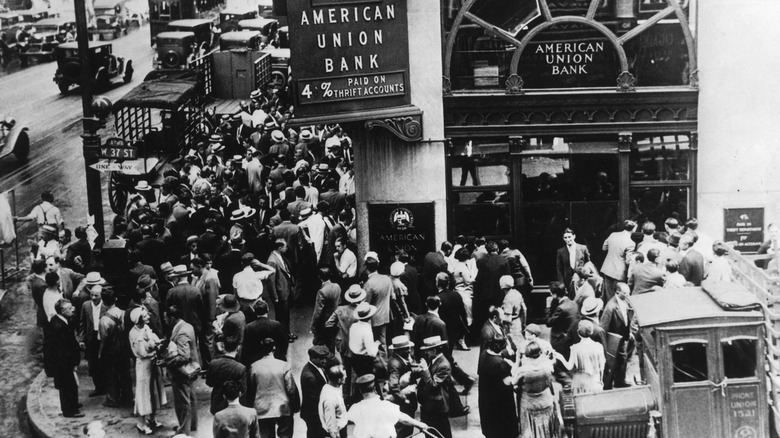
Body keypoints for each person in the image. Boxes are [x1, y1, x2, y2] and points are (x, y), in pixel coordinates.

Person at [245, 338, 300, 438]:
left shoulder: (254, 367)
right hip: (283, 407)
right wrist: (295, 406)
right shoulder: (284, 365)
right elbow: (290, 389)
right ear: (274, 348)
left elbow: (251, 390)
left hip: (262, 408)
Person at [346, 374, 429, 438]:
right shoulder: (386, 406)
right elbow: (404, 419)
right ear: (375, 389)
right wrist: (420, 424)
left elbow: (342, 420)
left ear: (360, 391)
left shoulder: (355, 408)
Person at [128, 307, 165, 435]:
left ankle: (152, 418)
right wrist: (154, 348)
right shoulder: (134, 333)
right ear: (138, 319)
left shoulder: (146, 328)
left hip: (152, 363)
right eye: (145, 316)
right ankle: (141, 423)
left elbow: (154, 341)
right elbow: (142, 352)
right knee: (143, 393)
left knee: (154, 391)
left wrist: (158, 344)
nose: (148, 317)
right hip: (143, 365)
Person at [164, 305, 201, 435]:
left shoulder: (181, 332)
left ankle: (183, 429)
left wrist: (166, 361)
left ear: (172, 318)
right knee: (190, 397)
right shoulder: (187, 326)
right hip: (191, 368)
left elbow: (184, 356)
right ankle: (192, 425)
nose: (165, 320)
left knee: (182, 401)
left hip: (181, 371)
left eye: (166, 317)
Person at [512, 341, 561, 438]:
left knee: (529, 429)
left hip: (529, 403)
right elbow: (553, 362)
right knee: (547, 426)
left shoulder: (523, 370)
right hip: (546, 400)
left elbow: (514, 382)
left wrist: (517, 360)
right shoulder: (547, 365)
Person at [47, 299, 84, 417]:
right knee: (67, 385)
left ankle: (72, 404)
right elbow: (63, 349)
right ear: (62, 311)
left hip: (63, 361)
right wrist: (72, 362)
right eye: (69, 308)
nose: (73, 309)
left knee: (70, 384)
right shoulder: (59, 326)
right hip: (64, 363)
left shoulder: (59, 321)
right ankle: (69, 411)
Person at [99, 288, 132, 408]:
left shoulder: (104, 320)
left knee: (111, 375)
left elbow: (103, 339)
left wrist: (100, 353)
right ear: (116, 299)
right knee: (125, 373)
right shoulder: (124, 313)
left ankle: (113, 399)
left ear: (103, 302)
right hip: (124, 348)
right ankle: (128, 397)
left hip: (111, 350)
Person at [478, 338, 518, 438]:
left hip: (486, 396)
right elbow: (508, 382)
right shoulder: (500, 364)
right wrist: (514, 368)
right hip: (500, 400)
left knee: (490, 423)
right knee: (502, 426)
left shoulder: (484, 354)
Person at [417, 336, 456, 438]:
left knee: (442, 434)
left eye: (427, 351)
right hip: (430, 406)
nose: (426, 353)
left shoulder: (444, 365)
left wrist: (425, 369)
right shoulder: (434, 360)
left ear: (434, 351)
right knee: (430, 433)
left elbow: (433, 385)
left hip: (438, 408)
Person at [471, 240, 511, 339]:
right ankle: (500, 335)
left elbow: (479, 279)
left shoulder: (482, 261)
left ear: (487, 250)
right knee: (500, 314)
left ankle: (488, 335)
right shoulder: (504, 261)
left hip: (485, 294)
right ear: (497, 249)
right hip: (500, 293)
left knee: (486, 316)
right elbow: (508, 278)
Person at [555, 320, 606, 394]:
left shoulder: (575, 348)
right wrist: (601, 381)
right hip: (595, 381)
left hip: (580, 383)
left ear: (578, 333)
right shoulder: (599, 346)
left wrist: (560, 357)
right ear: (591, 332)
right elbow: (602, 366)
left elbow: (569, 367)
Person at [600, 282, 635, 389]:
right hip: (613, 340)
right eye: (625, 293)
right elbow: (603, 327)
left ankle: (620, 381)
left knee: (622, 359)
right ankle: (608, 384)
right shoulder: (610, 307)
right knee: (612, 363)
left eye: (629, 292)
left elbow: (626, 318)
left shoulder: (625, 301)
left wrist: (628, 332)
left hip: (622, 337)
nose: (628, 295)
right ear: (617, 292)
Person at [386, 336, 419, 437]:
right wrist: (404, 399)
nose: (409, 350)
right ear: (399, 350)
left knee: (407, 430)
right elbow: (394, 387)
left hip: (406, 403)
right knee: (403, 431)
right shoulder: (395, 365)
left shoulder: (401, 358)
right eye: (406, 348)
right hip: (403, 405)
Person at [79, 284, 107, 397]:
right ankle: (98, 388)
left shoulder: (106, 306)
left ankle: (107, 387)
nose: (93, 297)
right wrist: (81, 339)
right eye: (92, 295)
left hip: (103, 336)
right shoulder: (86, 305)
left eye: (96, 295)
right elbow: (82, 323)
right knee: (93, 364)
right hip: (91, 338)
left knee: (104, 362)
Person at [600, 220, 637, 303]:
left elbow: (604, 248)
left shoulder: (613, 235)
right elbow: (628, 261)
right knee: (619, 296)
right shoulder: (631, 243)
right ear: (633, 229)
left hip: (607, 268)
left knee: (608, 295)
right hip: (619, 272)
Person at [207, 339, 247, 414]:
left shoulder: (213, 363)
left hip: (217, 403)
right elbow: (243, 391)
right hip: (233, 405)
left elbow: (209, 383)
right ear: (237, 348)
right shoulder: (241, 368)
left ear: (224, 347)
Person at [242, 300, 288, 364]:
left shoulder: (249, 327)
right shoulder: (276, 325)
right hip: (275, 358)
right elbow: (284, 342)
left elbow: (246, 349)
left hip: (256, 360)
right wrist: (281, 354)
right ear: (268, 310)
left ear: (254, 311)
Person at [300, 346, 332, 438]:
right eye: (322, 359)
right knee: (315, 434)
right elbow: (317, 399)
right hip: (314, 413)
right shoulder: (310, 377)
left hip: (314, 412)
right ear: (313, 358)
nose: (325, 361)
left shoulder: (316, 367)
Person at [267, 238, 295, 341]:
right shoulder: (272, 261)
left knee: (285, 315)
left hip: (284, 290)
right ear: (279, 248)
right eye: (285, 246)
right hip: (280, 293)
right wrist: (274, 297)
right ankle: (283, 337)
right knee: (281, 316)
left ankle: (287, 333)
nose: (287, 248)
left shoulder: (279, 256)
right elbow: (270, 281)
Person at [348, 302, 381, 378]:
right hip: (364, 360)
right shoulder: (366, 329)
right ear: (370, 316)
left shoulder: (353, 325)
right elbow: (372, 353)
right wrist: (376, 344)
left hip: (354, 357)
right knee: (368, 381)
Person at [556, 228, 590, 293]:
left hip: (581, 281)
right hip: (567, 282)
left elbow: (588, 264)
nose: (568, 239)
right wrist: (562, 284)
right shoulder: (561, 251)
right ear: (563, 239)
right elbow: (559, 269)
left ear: (574, 236)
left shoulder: (583, 248)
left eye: (569, 237)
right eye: (565, 237)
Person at [319, 364, 348, 438]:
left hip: (341, 429)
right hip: (337, 433)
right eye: (344, 376)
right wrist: (335, 435)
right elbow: (331, 424)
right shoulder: (330, 399)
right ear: (339, 380)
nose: (346, 377)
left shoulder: (332, 386)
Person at [500, 274, 526, 348]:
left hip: (511, 326)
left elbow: (507, 319)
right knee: (520, 344)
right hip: (518, 322)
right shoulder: (517, 293)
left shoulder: (507, 299)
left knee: (512, 346)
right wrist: (523, 324)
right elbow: (524, 309)